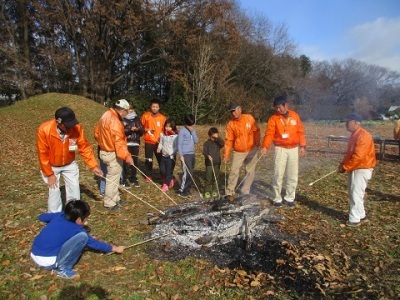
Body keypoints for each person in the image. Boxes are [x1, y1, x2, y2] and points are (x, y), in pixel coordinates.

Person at [30, 200, 125, 279]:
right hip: (48, 261)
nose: (86, 221)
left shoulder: (60, 215)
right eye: (85, 218)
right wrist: (114, 248)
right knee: (82, 237)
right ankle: (63, 268)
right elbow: (94, 243)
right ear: (79, 220)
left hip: (34, 252)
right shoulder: (77, 229)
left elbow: (42, 217)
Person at [36, 107, 103, 213]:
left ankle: (73, 213)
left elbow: (84, 147)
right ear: (58, 121)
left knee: (74, 188)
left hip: (69, 163)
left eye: (72, 123)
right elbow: (42, 154)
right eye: (68, 124)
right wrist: (49, 174)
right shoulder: (44, 129)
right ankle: (54, 215)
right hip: (52, 165)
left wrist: (94, 166)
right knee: (54, 191)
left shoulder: (77, 128)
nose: (71, 127)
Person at [261, 95, 306, 207]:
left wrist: (303, 146)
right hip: (280, 149)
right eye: (276, 108)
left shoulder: (295, 116)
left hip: (293, 149)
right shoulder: (273, 118)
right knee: (278, 174)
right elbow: (269, 133)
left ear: (286, 105)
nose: (278, 110)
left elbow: (300, 131)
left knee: (292, 175)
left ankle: (290, 198)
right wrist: (265, 146)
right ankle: (277, 198)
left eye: (279, 107)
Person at [94, 99, 134, 211]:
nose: (127, 114)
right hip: (112, 153)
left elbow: (96, 133)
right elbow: (119, 142)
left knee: (115, 177)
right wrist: (127, 156)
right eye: (127, 111)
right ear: (122, 110)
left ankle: (115, 198)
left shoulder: (105, 115)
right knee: (112, 178)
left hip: (104, 151)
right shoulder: (115, 121)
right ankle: (109, 203)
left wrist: (103, 142)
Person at [338, 112, 376, 227]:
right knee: (354, 192)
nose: (346, 124)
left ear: (356, 123)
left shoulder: (363, 136)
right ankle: (361, 215)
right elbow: (350, 153)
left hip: (361, 168)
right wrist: (343, 163)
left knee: (356, 193)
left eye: (348, 122)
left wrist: (346, 167)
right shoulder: (354, 135)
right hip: (355, 167)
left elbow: (359, 157)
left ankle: (354, 219)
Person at [223, 104, 260, 200]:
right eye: (231, 112)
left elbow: (256, 131)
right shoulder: (231, 124)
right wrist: (226, 154)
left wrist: (257, 144)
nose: (233, 113)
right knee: (234, 171)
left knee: (250, 171)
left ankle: (245, 191)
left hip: (252, 149)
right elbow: (229, 140)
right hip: (238, 151)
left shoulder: (249, 118)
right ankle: (229, 192)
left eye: (234, 110)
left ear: (240, 109)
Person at [140, 99, 167, 182]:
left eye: (156, 107)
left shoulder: (163, 118)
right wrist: (146, 129)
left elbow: (166, 129)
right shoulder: (145, 116)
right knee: (149, 159)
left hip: (159, 142)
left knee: (161, 159)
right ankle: (148, 175)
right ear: (150, 107)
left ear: (159, 108)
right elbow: (140, 126)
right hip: (149, 141)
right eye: (153, 106)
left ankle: (163, 175)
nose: (154, 108)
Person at [121, 106, 143, 188]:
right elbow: (121, 131)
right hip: (126, 143)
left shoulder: (137, 119)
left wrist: (138, 129)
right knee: (125, 162)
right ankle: (124, 179)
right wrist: (130, 129)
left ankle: (133, 178)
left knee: (134, 162)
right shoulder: (123, 119)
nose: (130, 111)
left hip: (135, 143)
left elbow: (142, 131)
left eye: (132, 109)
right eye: (129, 109)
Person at [177, 114, 199, 198]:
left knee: (191, 172)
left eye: (192, 124)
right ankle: (182, 190)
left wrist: (193, 132)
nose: (191, 126)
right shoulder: (182, 131)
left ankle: (188, 189)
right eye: (189, 124)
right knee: (187, 173)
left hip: (192, 154)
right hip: (185, 155)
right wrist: (181, 155)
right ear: (185, 123)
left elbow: (196, 141)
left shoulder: (193, 130)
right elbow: (179, 144)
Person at [157, 118, 178, 192]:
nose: (167, 128)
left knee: (168, 171)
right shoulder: (163, 135)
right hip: (163, 155)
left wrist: (172, 152)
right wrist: (159, 148)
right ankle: (171, 178)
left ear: (173, 127)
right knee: (163, 170)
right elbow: (161, 143)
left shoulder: (175, 136)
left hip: (170, 157)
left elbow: (176, 147)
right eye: (166, 126)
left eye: (169, 127)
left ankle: (166, 184)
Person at [203, 127, 224, 199]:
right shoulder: (206, 143)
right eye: (213, 137)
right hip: (209, 164)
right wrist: (207, 156)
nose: (214, 138)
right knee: (208, 178)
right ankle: (207, 191)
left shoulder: (218, 143)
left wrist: (217, 138)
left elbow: (223, 143)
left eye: (215, 136)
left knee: (216, 178)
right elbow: (204, 152)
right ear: (210, 135)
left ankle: (215, 190)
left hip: (217, 162)